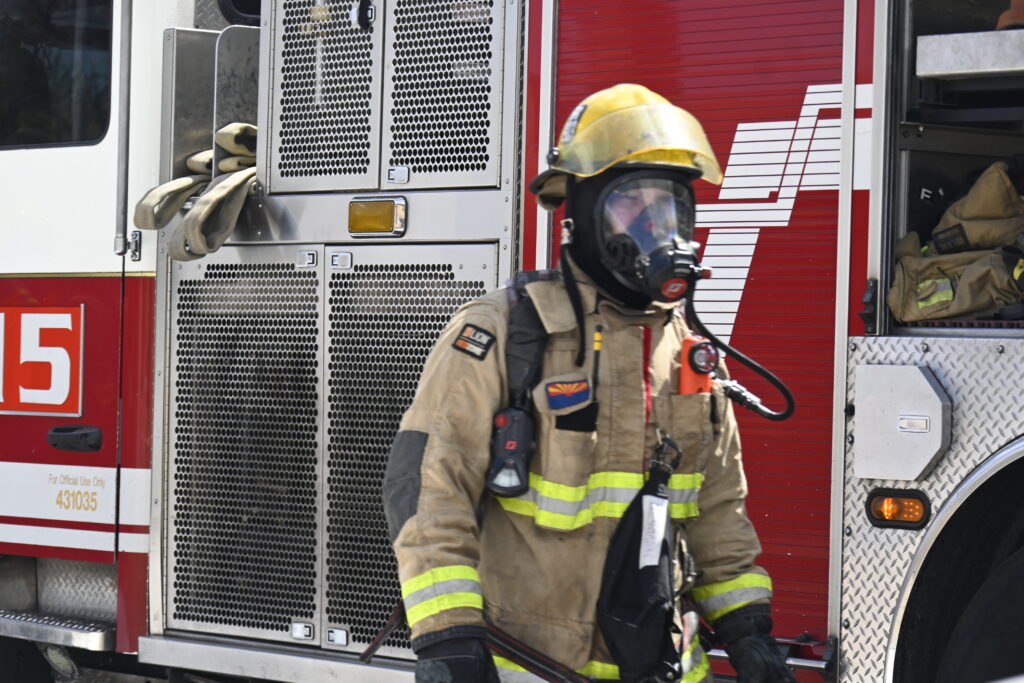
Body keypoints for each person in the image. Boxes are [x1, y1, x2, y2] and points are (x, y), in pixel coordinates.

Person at [383, 83, 796, 683]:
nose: (657, 227)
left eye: (670, 206)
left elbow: (717, 507)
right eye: (634, 206)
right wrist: (448, 637)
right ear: (583, 214)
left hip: (661, 667)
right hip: (533, 666)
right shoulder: (503, 332)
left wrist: (746, 627)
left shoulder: (690, 356)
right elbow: (429, 489)